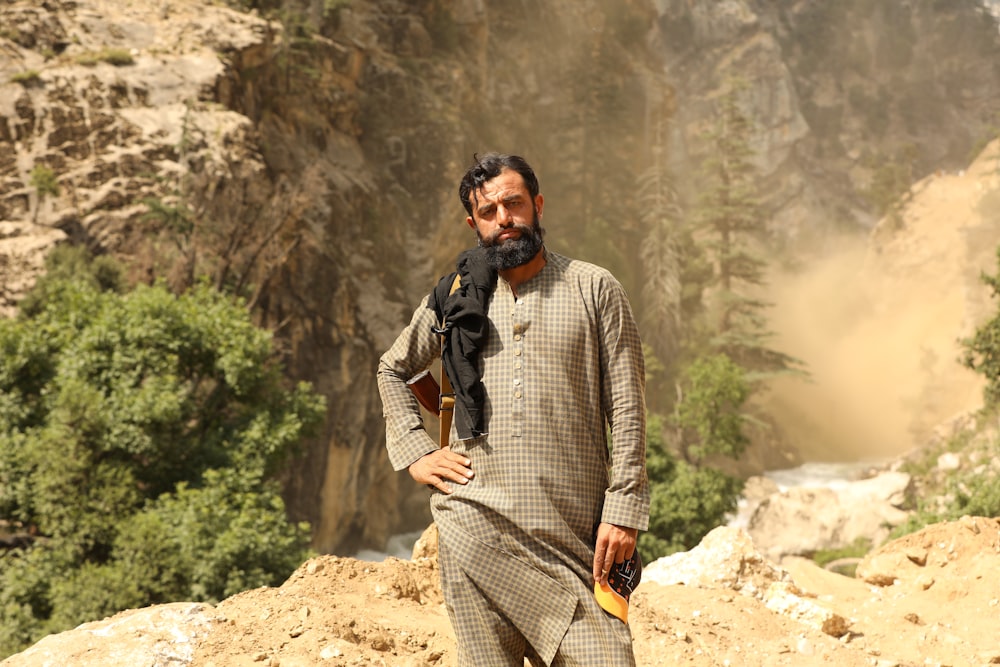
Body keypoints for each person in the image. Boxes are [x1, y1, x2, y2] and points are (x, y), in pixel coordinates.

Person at [377, 153, 649, 666]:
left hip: (575, 543)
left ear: (537, 205)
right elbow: (394, 369)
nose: (503, 219)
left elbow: (628, 408)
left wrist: (625, 511)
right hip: (474, 530)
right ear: (473, 223)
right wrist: (416, 452)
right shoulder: (455, 298)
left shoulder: (594, 288)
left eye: (513, 203)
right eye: (489, 211)